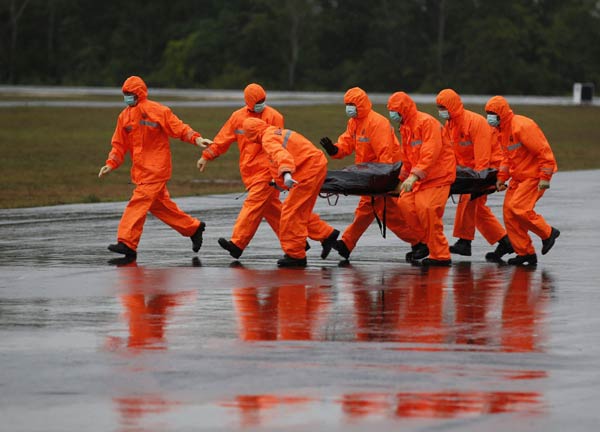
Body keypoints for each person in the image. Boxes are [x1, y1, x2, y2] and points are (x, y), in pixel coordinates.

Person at [196, 83, 339, 260]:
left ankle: (237, 244)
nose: (261, 104)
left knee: (255, 206)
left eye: (263, 100)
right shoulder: (237, 117)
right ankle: (323, 234)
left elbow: (276, 150)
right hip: (251, 171)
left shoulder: (274, 117)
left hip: (268, 171)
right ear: (248, 101)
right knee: (277, 211)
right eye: (257, 101)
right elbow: (222, 139)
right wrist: (206, 156)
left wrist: (280, 174)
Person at [98, 75, 212, 257]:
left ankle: (126, 242)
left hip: (156, 169)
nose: (127, 97)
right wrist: (111, 163)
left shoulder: (157, 110)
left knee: (138, 203)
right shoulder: (124, 116)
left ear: (139, 93)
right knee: (160, 206)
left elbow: (178, 127)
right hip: (141, 171)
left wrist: (196, 138)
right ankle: (193, 228)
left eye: (130, 93)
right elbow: (118, 144)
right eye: (125, 93)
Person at [319, 87, 426, 261]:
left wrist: (383, 180)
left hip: (385, 174)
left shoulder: (377, 123)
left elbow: (386, 154)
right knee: (365, 210)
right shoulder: (354, 122)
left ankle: (420, 242)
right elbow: (346, 143)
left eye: (351, 104)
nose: (348, 108)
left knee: (389, 214)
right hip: (369, 175)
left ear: (360, 104)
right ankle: (346, 244)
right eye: (346, 104)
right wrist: (334, 149)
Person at [242, 117, 336, 267]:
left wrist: (286, 173)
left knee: (291, 214)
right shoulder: (276, 131)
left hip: (308, 172)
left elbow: (281, 156)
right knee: (301, 210)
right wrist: (279, 181)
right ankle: (327, 235)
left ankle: (296, 255)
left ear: (252, 134)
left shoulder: (267, 139)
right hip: (316, 165)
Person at [436, 88, 513, 260]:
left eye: (443, 107)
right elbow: (451, 154)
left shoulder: (475, 123)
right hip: (470, 172)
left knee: (469, 201)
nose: (440, 111)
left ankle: (464, 242)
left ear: (452, 106)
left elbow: (483, 155)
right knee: (478, 210)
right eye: (439, 107)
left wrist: (480, 179)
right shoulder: (450, 126)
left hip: (489, 169)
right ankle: (505, 241)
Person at [485, 96, 560, 266]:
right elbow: (506, 157)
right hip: (519, 177)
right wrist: (501, 178)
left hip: (534, 176)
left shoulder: (522, 126)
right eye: (487, 113)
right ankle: (525, 253)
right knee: (509, 213)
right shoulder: (501, 130)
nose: (489, 117)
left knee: (519, 208)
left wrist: (545, 178)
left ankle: (548, 233)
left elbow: (544, 152)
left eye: (492, 113)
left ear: (501, 113)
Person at [387, 91, 456, 266]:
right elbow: (407, 157)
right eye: (391, 110)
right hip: (420, 178)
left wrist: (414, 176)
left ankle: (441, 255)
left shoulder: (426, 123)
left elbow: (430, 152)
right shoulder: (405, 127)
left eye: (395, 110)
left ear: (404, 109)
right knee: (404, 203)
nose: (392, 114)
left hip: (438, 176)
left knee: (427, 209)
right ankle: (424, 243)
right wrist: (402, 179)